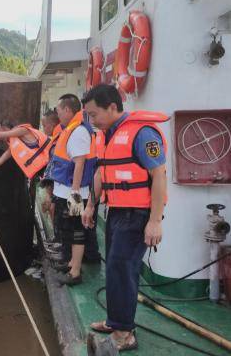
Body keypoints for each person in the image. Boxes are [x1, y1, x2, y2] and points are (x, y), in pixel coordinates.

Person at [82, 84, 168, 352]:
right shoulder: (105, 135)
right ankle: (115, 320)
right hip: (117, 211)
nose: (91, 121)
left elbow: (159, 176)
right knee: (115, 267)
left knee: (123, 268)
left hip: (138, 214)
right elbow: (100, 173)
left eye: (94, 114)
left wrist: (155, 221)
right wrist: (90, 205)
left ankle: (125, 333)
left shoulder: (143, 134)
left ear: (112, 107)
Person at [47, 94, 97, 286]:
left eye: (59, 110)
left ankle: (75, 272)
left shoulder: (78, 132)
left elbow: (79, 163)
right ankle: (70, 263)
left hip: (74, 194)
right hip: (64, 192)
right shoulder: (70, 129)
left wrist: (75, 194)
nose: (57, 114)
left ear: (67, 110)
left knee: (77, 231)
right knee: (67, 229)